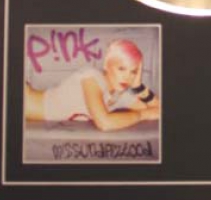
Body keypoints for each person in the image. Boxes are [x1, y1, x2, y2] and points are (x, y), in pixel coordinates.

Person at [25, 39, 160, 131]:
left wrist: (138, 86)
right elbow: (104, 123)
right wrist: (142, 115)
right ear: (106, 65)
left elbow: (157, 109)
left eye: (133, 72)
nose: (127, 77)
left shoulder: (120, 95)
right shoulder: (92, 77)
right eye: (121, 69)